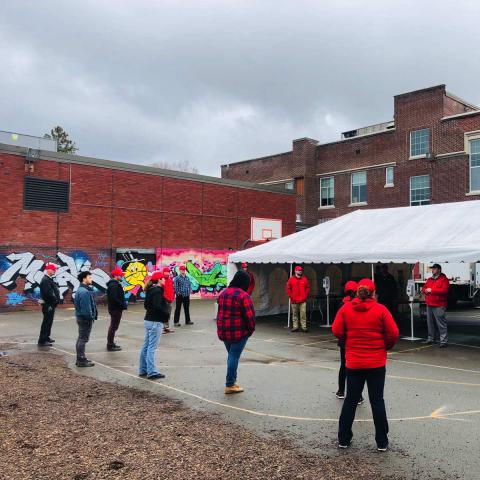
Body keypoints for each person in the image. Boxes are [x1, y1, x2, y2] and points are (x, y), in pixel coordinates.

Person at [332, 278, 399, 452]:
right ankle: (382, 441)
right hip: (376, 362)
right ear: (374, 292)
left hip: (354, 362)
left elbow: (336, 330)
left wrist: (347, 340)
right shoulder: (380, 309)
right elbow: (393, 333)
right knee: (377, 401)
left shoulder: (346, 309)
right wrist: (385, 346)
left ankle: (344, 438)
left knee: (351, 400)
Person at [216, 270, 256, 394]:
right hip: (239, 332)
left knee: (231, 356)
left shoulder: (223, 293)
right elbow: (250, 316)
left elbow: (220, 311)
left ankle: (232, 381)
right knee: (233, 357)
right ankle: (230, 384)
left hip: (224, 331)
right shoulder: (244, 296)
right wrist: (250, 330)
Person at [335, 280, 364, 406]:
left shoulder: (342, 304)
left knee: (343, 366)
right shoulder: (358, 304)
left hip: (344, 340)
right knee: (356, 368)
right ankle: (358, 396)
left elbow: (337, 326)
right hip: (355, 339)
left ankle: (341, 391)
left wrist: (342, 336)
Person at [139, 271, 170, 379]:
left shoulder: (151, 290)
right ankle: (151, 372)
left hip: (148, 320)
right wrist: (166, 314)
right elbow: (157, 306)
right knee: (151, 347)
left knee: (146, 346)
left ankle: (143, 369)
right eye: (163, 278)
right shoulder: (157, 291)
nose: (165, 280)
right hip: (155, 322)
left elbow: (146, 305)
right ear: (159, 280)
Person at [421, 264, 450, 348]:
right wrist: (425, 290)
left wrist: (431, 290)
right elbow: (424, 288)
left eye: (434, 269)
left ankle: (443, 341)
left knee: (441, 323)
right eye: (432, 269)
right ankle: (430, 338)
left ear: (439, 270)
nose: (432, 270)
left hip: (439, 304)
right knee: (430, 323)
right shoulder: (430, 279)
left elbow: (444, 290)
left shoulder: (444, 280)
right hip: (429, 303)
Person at [74, 271, 98, 367]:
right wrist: (90, 317)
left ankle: (80, 358)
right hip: (84, 319)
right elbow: (86, 309)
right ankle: (81, 360)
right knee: (83, 339)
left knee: (81, 338)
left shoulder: (80, 290)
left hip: (81, 317)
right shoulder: (84, 292)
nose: (91, 279)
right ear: (84, 279)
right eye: (89, 277)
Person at [38, 263, 61, 347]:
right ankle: (42, 340)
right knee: (46, 322)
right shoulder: (45, 280)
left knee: (49, 322)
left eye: (55, 270)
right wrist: (54, 300)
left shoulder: (48, 279)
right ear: (48, 270)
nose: (55, 271)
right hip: (48, 305)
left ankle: (46, 337)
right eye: (53, 269)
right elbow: (48, 293)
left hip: (50, 304)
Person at [106, 267, 127, 352]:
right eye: (120, 275)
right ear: (116, 275)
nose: (122, 276)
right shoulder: (114, 285)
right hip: (115, 309)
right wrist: (122, 305)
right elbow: (114, 298)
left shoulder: (114, 284)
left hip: (115, 309)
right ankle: (110, 345)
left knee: (114, 326)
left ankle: (111, 343)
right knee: (113, 327)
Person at [286, 265, 310, 332]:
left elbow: (308, 287)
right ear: (295, 271)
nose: (300, 271)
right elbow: (288, 289)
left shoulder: (304, 279)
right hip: (294, 300)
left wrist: (305, 295)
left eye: (301, 270)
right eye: (299, 270)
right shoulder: (291, 279)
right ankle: (295, 326)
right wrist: (291, 297)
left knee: (303, 314)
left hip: (303, 300)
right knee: (295, 314)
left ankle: (304, 327)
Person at [162, 267, 175, 334]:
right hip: (164, 300)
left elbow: (171, 290)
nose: (168, 273)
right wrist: (165, 297)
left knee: (168, 314)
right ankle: (163, 328)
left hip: (170, 299)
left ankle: (167, 327)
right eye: (166, 272)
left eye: (168, 272)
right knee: (164, 313)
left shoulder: (170, 280)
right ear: (164, 272)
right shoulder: (162, 280)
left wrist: (172, 297)